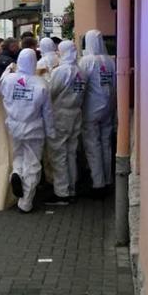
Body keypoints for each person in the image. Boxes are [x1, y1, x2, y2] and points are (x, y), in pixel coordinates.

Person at [0, 49, 54, 213]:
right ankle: (26, 202)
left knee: (18, 156)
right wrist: (50, 132)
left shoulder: (8, 80)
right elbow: (48, 112)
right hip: (33, 129)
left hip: (14, 126)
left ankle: (16, 174)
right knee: (32, 164)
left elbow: (0, 91)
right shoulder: (41, 84)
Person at [44, 40, 87, 205]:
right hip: (76, 113)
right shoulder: (80, 71)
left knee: (58, 155)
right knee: (71, 153)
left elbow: (50, 92)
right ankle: (72, 188)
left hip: (60, 115)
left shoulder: (61, 71)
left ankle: (61, 192)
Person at [79, 29, 116, 197]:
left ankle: (98, 183)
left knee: (93, 146)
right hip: (108, 108)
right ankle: (108, 180)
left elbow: (80, 84)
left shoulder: (86, 61)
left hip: (91, 110)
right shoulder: (110, 61)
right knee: (106, 145)